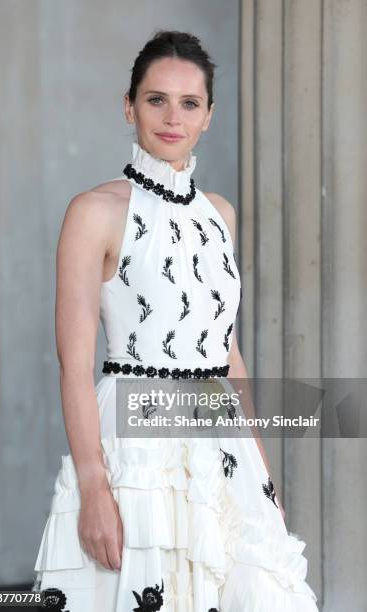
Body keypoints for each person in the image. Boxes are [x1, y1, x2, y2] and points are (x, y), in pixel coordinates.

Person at [32, 30, 319, 612]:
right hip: (138, 453)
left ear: (209, 116)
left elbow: (228, 356)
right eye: (155, 99)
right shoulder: (94, 212)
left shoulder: (220, 215)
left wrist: (261, 479)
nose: (172, 117)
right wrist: (93, 485)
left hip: (220, 444)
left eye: (189, 103)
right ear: (128, 105)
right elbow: (74, 358)